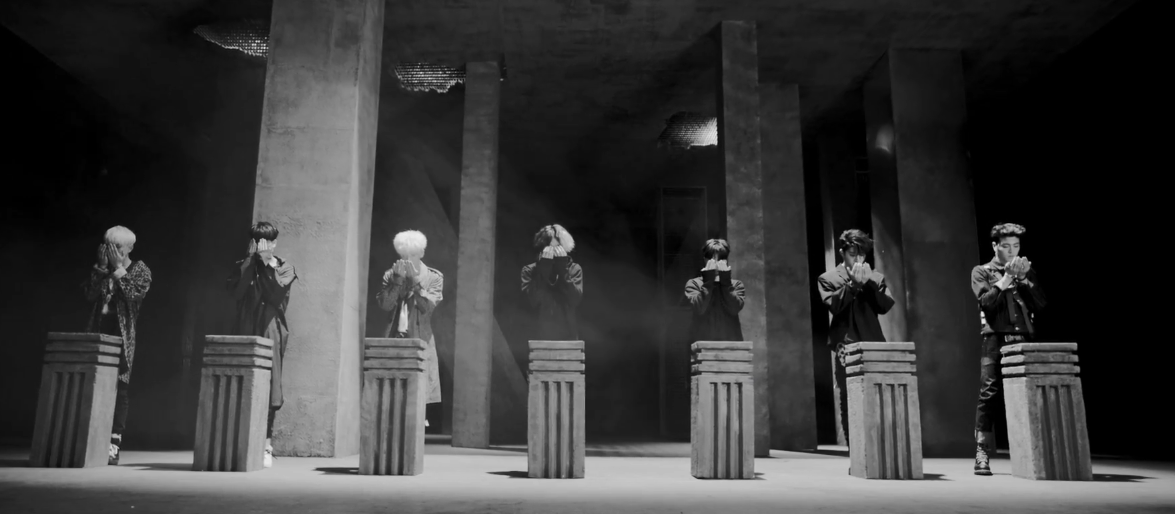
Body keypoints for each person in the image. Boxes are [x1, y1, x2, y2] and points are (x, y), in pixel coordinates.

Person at [970, 223, 1046, 476]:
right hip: (995, 338)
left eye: (1016, 246)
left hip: (1024, 337)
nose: (1012, 251)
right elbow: (986, 303)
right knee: (989, 393)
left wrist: (1022, 279)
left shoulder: (1026, 270)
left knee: (1030, 390)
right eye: (1006, 246)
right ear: (995, 246)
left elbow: (1040, 305)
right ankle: (982, 451)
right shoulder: (982, 271)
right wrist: (1006, 279)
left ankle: (1035, 450)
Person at [226, 222, 297, 469]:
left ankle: (266, 444)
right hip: (245, 326)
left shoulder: (285, 267)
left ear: (274, 243)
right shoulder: (244, 265)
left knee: (270, 386)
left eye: (266, 242)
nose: (262, 246)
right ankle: (239, 442)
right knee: (240, 382)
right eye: (257, 241)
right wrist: (250, 261)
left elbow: (276, 294)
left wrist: (266, 263)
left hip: (270, 327)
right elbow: (235, 293)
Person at [817, 229, 895, 450]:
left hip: (873, 343)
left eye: (862, 255)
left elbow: (885, 305)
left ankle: (879, 449)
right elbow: (834, 305)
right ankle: (856, 451)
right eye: (853, 254)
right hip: (845, 344)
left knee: (878, 396)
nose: (858, 259)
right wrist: (852, 285)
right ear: (842, 253)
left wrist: (867, 283)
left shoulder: (875, 277)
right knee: (849, 397)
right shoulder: (828, 278)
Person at [83, 225, 152, 466]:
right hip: (98, 335)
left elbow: (134, 293)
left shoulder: (140, 269)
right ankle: (89, 438)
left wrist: (119, 269)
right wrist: (101, 268)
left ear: (130, 247)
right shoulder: (102, 269)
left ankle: (114, 442)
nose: (113, 252)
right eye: (108, 247)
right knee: (91, 385)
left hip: (122, 337)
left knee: (119, 388)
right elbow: (89, 295)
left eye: (118, 247)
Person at [376, 230, 443, 426]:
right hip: (394, 339)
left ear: (421, 253)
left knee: (419, 393)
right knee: (392, 392)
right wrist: (397, 282)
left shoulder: (433, 277)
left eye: (413, 254)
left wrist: (415, 283)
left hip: (420, 338)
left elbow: (427, 308)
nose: (408, 259)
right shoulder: (391, 275)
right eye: (404, 255)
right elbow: (385, 305)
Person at [520, 224, 584, 341]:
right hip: (537, 337)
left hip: (568, 337)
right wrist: (544, 269)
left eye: (558, 249)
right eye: (549, 249)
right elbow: (532, 301)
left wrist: (563, 270)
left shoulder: (574, 269)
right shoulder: (530, 270)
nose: (553, 254)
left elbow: (574, 299)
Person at [683, 239, 745, 341]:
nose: (716, 263)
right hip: (701, 343)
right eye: (711, 258)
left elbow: (734, 308)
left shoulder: (736, 285)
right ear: (705, 260)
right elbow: (699, 309)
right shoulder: (694, 284)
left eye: (721, 258)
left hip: (731, 343)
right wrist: (708, 281)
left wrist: (725, 281)